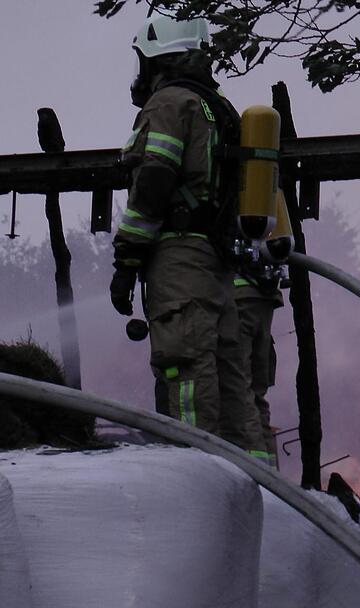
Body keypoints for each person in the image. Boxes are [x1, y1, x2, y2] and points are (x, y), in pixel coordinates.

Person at [109, 13, 268, 463]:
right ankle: (260, 490)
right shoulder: (216, 108)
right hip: (216, 266)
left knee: (185, 372)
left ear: (157, 60)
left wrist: (127, 260)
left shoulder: (168, 104)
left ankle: (193, 479)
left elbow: (155, 181)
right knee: (229, 379)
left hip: (180, 259)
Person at [234, 267, 284, 468]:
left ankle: (256, 472)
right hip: (263, 294)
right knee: (256, 395)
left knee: (239, 389)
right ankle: (270, 472)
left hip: (236, 296)